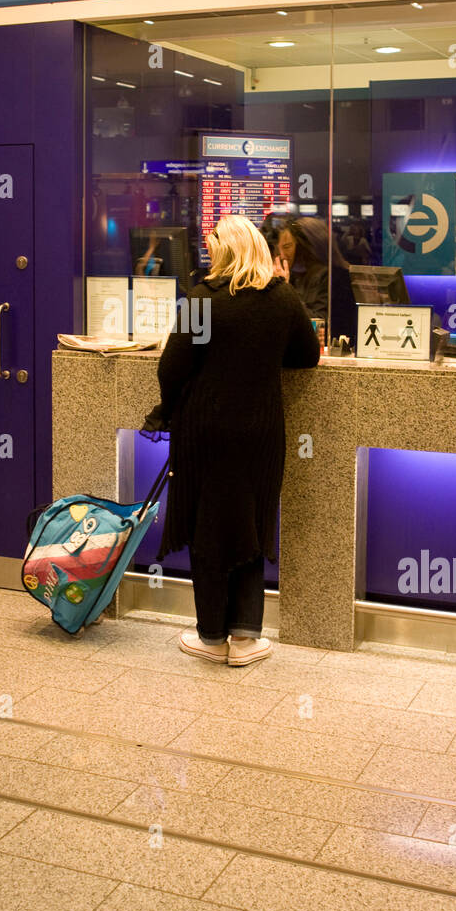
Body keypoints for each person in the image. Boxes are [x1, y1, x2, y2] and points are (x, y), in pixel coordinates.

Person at [142, 214, 320, 666]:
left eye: (214, 247)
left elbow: (172, 369)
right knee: (250, 523)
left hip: (205, 431)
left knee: (208, 525)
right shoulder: (281, 300)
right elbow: (306, 357)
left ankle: (210, 635)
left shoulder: (204, 301)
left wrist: (170, 409)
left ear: (225, 252)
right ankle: (245, 636)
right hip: (259, 433)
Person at [276, 216, 358, 348]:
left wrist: (285, 291)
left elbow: (320, 326)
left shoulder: (336, 278)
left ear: (306, 246)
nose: (282, 255)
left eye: (287, 247)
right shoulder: (298, 277)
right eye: (280, 249)